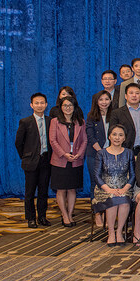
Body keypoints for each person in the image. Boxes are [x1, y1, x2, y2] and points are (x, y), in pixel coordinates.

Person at [91, 124, 134, 246]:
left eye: (120, 135)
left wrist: (125, 188)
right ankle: (111, 233)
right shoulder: (101, 153)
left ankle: (119, 232)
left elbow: (133, 175)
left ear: (124, 138)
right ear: (109, 136)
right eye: (114, 134)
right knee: (113, 200)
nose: (117, 138)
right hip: (104, 189)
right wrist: (109, 189)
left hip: (123, 187)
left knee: (124, 200)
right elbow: (97, 176)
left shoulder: (129, 153)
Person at [15, 92, 52, 228]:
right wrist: (26, 156)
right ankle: (31, 218)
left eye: (42, 103)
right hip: (30, 161)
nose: (39, 105)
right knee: (29, 192)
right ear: (31, 105)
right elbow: (18, 143)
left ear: (46, 105)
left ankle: (42, 217)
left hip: (46, 160)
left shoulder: (50, 121)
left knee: (43, 191)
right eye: (36, 103)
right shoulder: (25, 122)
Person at [49, 96, 87, 227]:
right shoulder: (55, 121)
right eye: (65, 105)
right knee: (61, 190)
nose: (68, 108)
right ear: (61, 107)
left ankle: (70, 214)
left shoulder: (80, 122)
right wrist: (64, 154)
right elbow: (53, 140)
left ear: (74, 107)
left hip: (76, 159)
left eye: (70, 105)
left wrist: (79, 154)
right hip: (60, 160)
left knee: (72, 189)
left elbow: (84, 140)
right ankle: (64, 215)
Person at [86, 90, 113, 227]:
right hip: (95, 155)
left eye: (106, 99)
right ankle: (97, 213)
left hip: (112, 154)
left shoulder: (115, 115)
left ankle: (108, 213)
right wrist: (102, 152)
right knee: (96, 184)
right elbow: (90, 137)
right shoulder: (91, 116)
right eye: (101, 99)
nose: (104, 102)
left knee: (110, 184)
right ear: (96, 102)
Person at [109, 83, 140, 153]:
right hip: (125, 150)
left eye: (137, 93)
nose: (134, 95)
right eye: (131, 93)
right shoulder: (117, 113)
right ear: (126, 96)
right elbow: (112, 133)